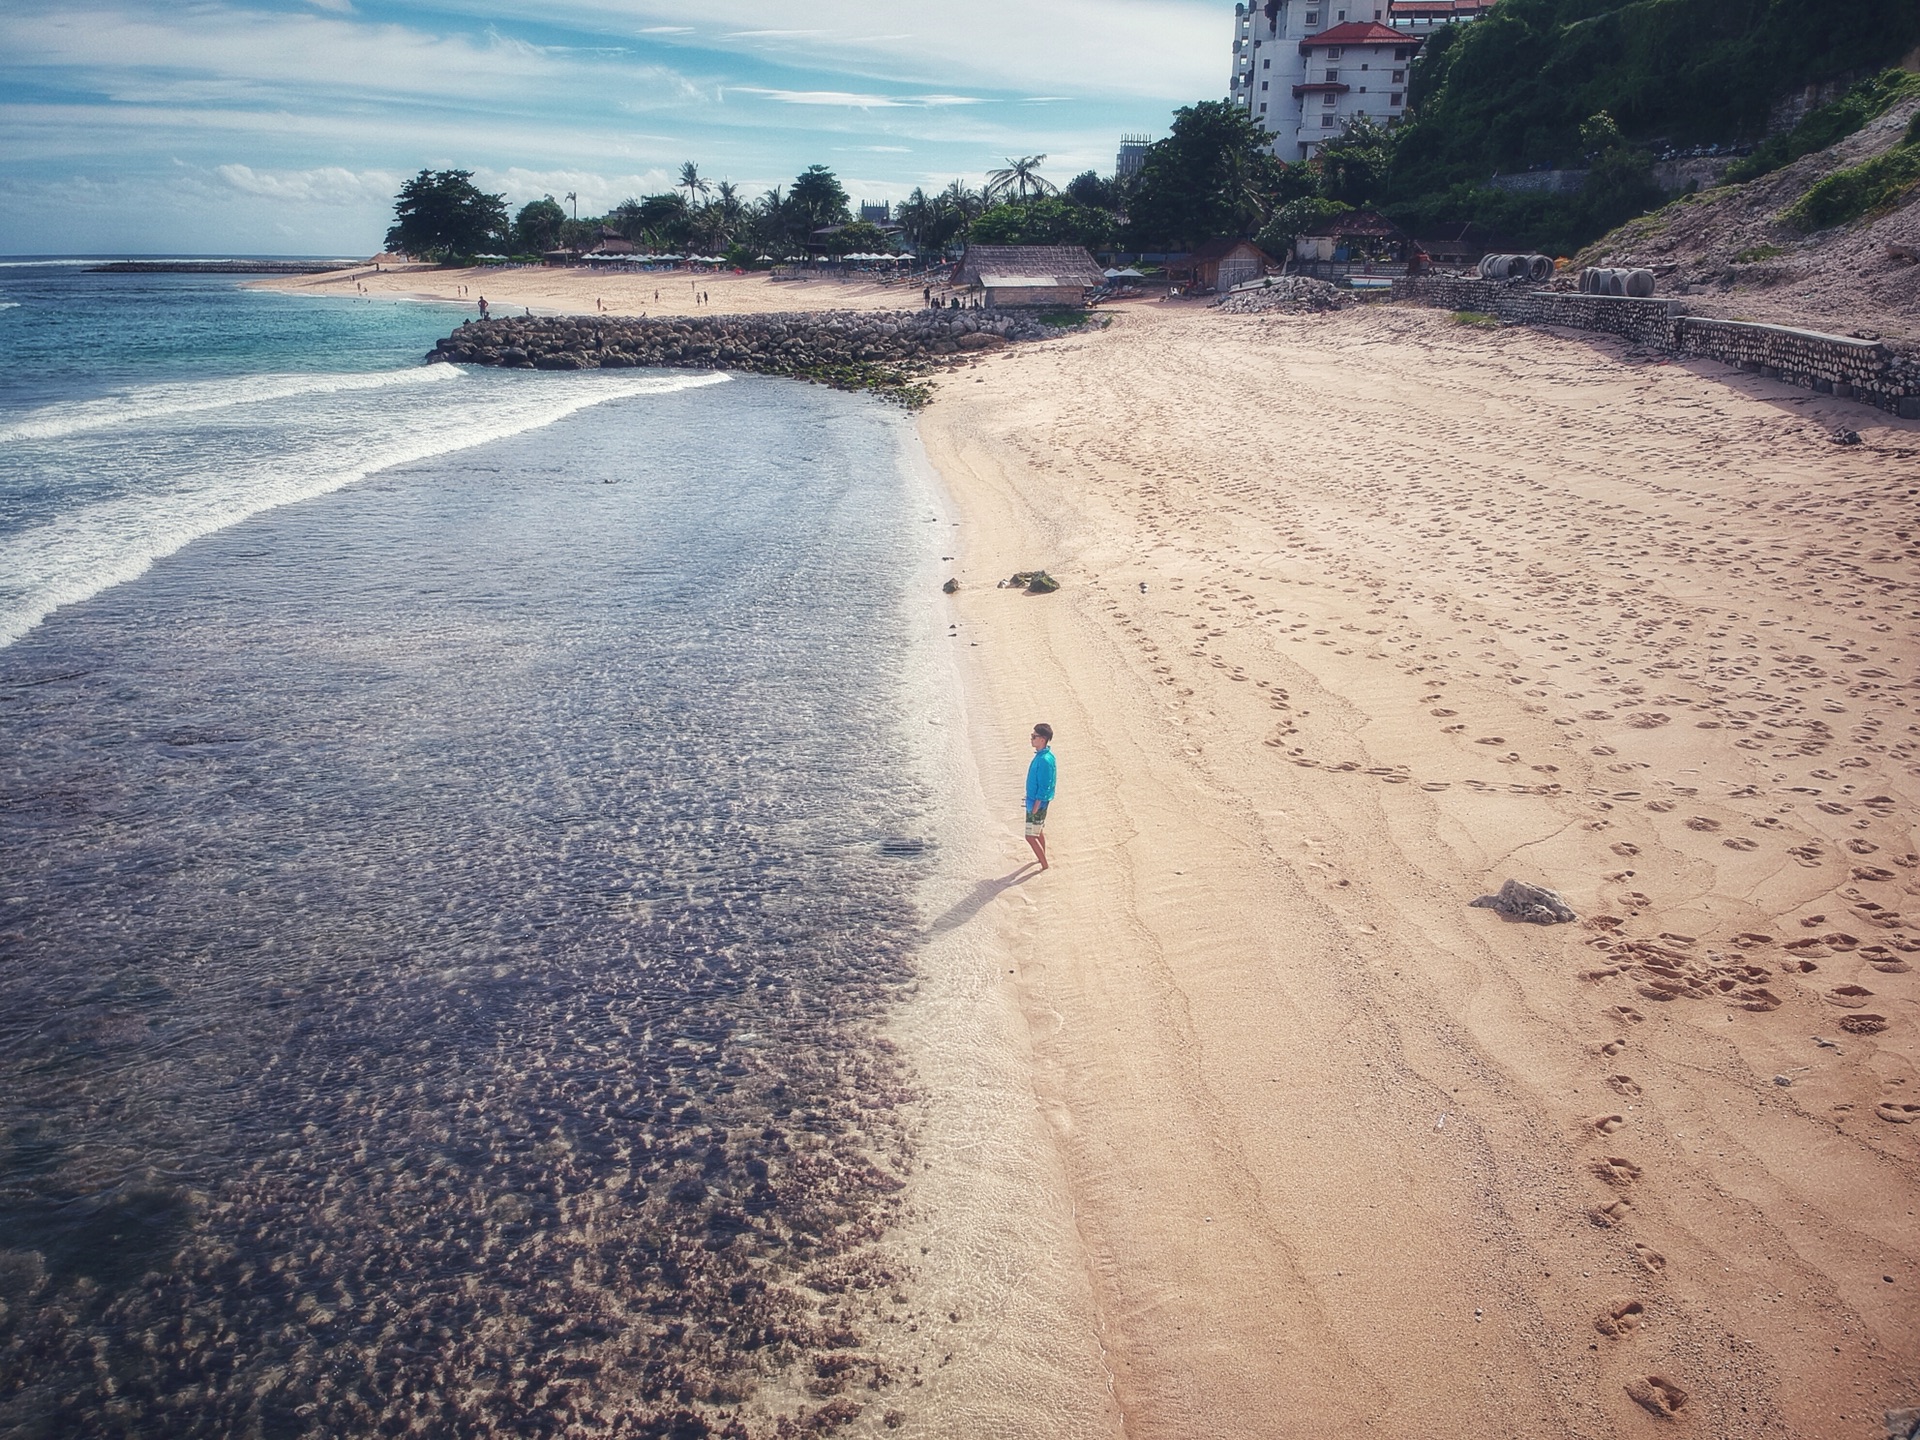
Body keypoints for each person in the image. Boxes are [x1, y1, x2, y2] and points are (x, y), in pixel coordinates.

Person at [1024, 723, 1056, 870]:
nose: (1031, 739)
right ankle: (1042, 858)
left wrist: (1036, 806)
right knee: (1038, 831)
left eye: (1034, 737)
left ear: (1042, 739)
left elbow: (1044, 786)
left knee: (1030, 836)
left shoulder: (1044, 760)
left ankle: (1044, 865)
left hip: (1038, 804)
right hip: (1034, 801)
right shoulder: (1043, 756)